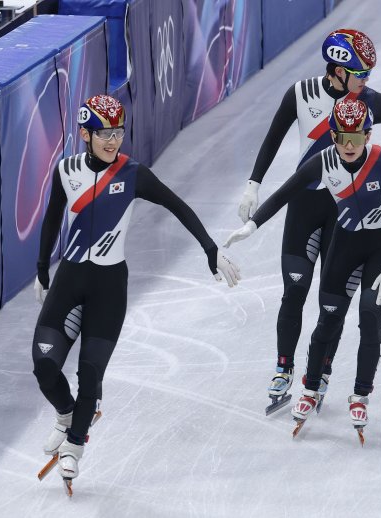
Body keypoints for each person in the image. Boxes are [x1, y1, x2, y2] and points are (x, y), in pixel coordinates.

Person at [235, 28, 381, 414]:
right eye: (360, 74)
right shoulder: (300, 94)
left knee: (332, 303)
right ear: (337, 70)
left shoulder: (368, 104)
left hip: (340, 215)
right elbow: (273, 138)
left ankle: (322, 370)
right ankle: (283, 368)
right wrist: (253, 185)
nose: (366, 82)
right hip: (302, 207)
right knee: (294, 291)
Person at [31, 94, 240, 489]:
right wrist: (42, 271)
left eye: (119, 132)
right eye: (105, 133)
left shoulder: (133, 173)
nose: (114, 141)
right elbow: (51, 220)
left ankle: (75, 444)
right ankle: (67, 413)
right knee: (44, 365)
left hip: (109, 289)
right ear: (84, 135)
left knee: (90, 373)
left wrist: (210, 249)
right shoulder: (66, 171)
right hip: (70, 282)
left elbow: (178, 206)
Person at [226, 98, 381, 440]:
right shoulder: (323, 162)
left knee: (370, 316)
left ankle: (360, 394)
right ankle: (310, 388)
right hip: (346, 247)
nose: (348, 146)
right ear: (333, 137)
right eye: (341, 138)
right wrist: (252, 227)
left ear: (368, 135)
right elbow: (283, 195)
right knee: (328, 318)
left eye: (356, 138)